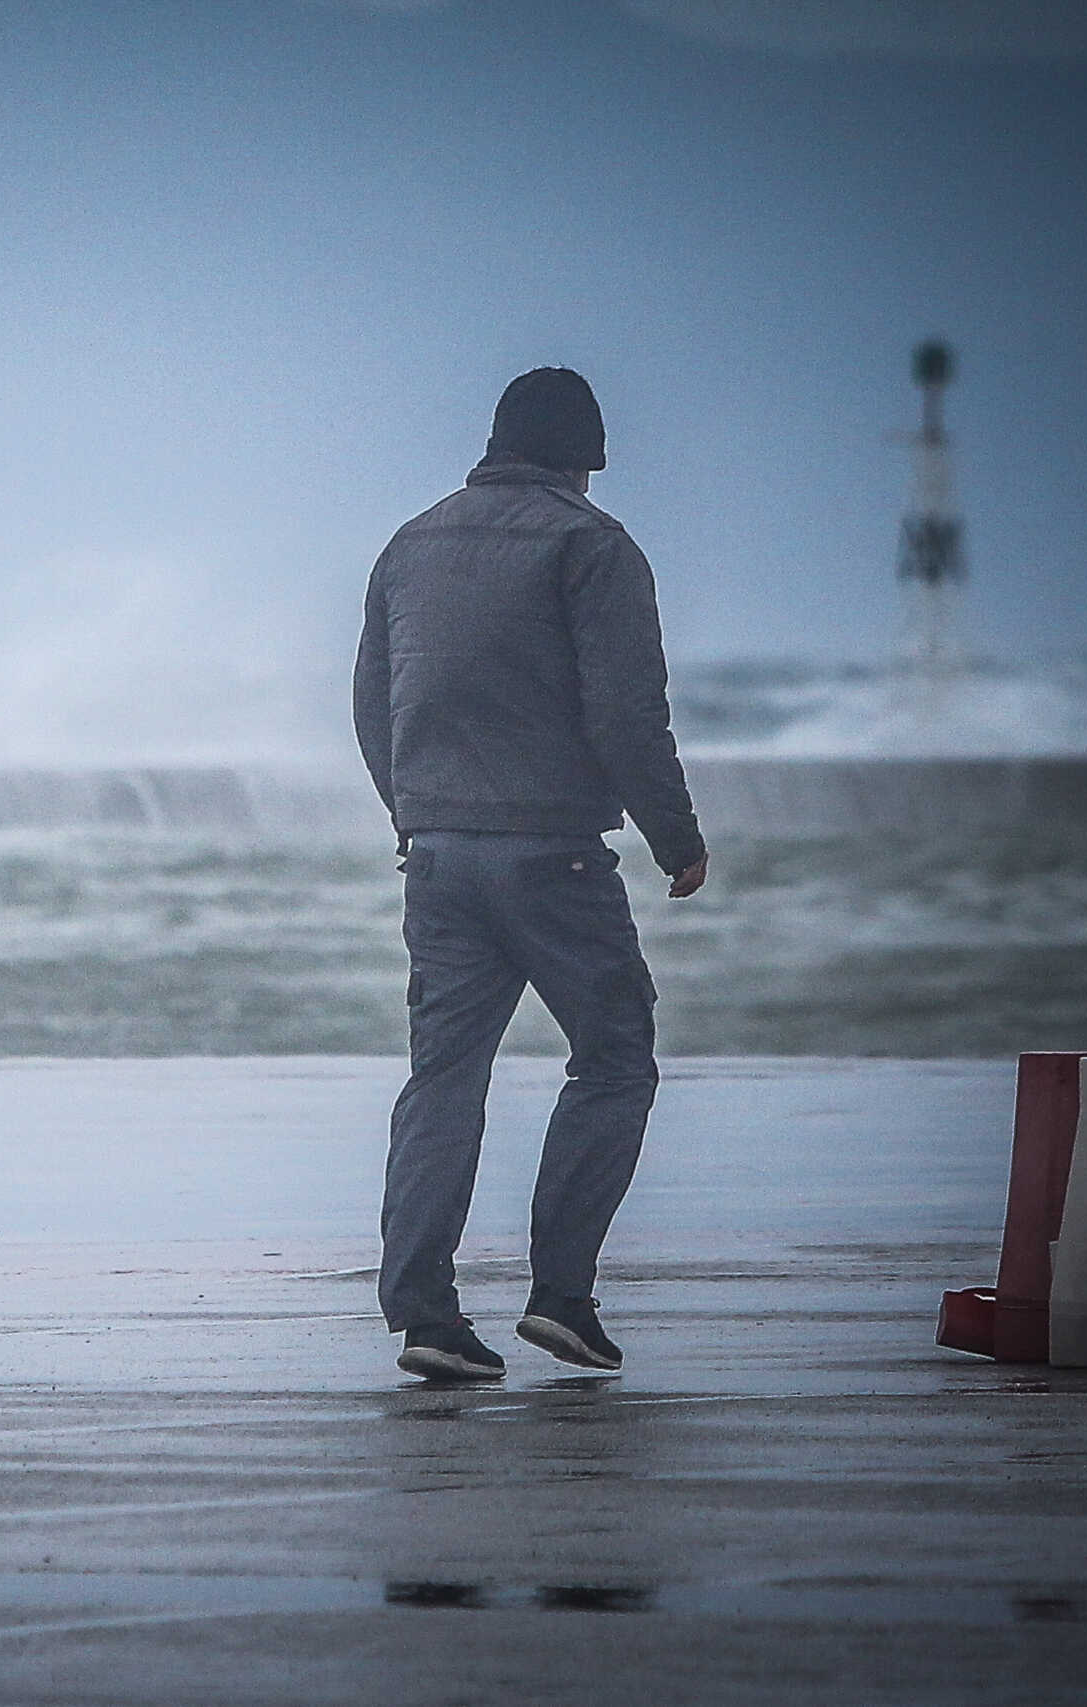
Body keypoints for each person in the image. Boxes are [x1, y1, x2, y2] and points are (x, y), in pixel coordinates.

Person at [352, 367, 709, 1383]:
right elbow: (626, 712)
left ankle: (424, 1315)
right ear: (584, 460)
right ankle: (559, 1298)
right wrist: (673, 836)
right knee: (612, 1055)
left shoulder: (410, 542)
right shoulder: (590, 545)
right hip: (551, 855)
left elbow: (373, 705)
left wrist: (413, 814)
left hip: (438, 856)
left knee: (442, 1078)